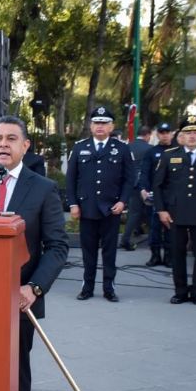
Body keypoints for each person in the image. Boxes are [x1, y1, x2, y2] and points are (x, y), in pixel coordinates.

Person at [0, 116, 68, 391]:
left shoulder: (43, 188)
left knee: (14, 375)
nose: (3, 145)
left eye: (11, 139)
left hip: (18, 301)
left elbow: (57, 247)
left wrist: (34, 288)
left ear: (25, 145)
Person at [66, 106, 134, 303]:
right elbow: (71, 180)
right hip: (86, 208)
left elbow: (130, 180)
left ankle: (109, 288)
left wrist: (123, 201)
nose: (100, 127)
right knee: (88, 251)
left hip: (111, 209)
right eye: (96, 123)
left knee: (109, 251)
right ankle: (87, 287)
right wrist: (73, 204)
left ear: (111, 126)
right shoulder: (80, 147)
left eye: (104, 123)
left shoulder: (122, 149)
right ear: (90, 125)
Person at [153, 115, 196, 306]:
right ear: (181, 135)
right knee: (177, 253)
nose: (192, 136)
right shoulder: (169, 155)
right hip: (175, 214)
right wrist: (161, 210)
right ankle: (180, 291)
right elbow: (157, 185)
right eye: (188, 132)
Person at [141, 123, 174, 267]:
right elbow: (145, 172)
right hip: (156, 194)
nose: (165, 135)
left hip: (173, 195)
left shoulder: (179, 151)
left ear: (172, 133)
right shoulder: (151, 152)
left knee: (170, 227)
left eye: (167, 132)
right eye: (162, 132)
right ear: (158, 134)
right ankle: (155, 256)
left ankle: (169, 256)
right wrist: (143, 189)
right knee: (154, 227)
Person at [120, 126, 153, 250]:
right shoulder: (150, 148)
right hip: (144, 185)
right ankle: (125, 239)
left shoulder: (128, 146)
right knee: (141, 212)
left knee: (137, 211)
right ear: (148, 135)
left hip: (130, 184)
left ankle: (141, 232)